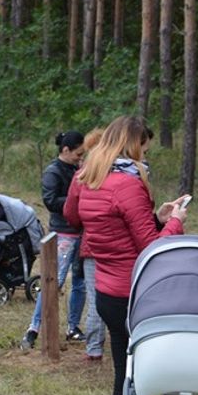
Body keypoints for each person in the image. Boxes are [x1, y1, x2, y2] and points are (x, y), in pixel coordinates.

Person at [64, 116, 187, 395]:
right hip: (143, 296)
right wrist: (176, 221)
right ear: (132, 146)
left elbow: (74, 216)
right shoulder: (128, 185)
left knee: (124, 379)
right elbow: (150, 247)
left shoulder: (86, 178)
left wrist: (156, 216)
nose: (144, 157)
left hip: (108, 294)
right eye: (143, 150)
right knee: (175, 383)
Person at [21, 131, 88, 350]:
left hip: (82, 232)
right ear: (65, 150)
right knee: (54, 281)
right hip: (64, 234)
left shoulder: (80, 169)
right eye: (78, 153)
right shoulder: (53, 172)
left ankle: (73, 327)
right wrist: (77, 199)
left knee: (80, 281)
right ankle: (34, 328)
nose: (81, 157)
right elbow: (50, 200)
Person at [78, 127, 107, 361]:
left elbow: (71, 209)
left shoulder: (83, 173)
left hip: (91, 244)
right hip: (120, 247)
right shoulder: (125, 171)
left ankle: (94, 348)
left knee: (95, 299)